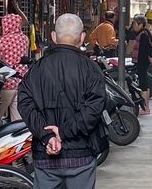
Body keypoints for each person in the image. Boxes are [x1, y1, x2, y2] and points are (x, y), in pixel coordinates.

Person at [18, 14, 108, 189]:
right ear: (82, 38)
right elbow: (94, 108)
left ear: (53, 36)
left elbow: (25, 103)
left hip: (46, 155)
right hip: (81, 154)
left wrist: (48, 136)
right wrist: (64, 132)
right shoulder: (91, 69)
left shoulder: (37, 69)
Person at [0, 2, 30, 122]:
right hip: (22, 82)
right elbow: (25, 21)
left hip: (7, 83)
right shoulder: (25, 39)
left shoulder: (3, 41)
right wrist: (18, 8)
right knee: (18, 120)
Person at [131, 14, 152, 115]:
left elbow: (149, 50)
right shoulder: (142, 33)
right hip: (142, 62)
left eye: (134, 24)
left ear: (140, 24)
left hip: (142, 62)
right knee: (144, 84)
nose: (133, 26)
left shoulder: (144, 35)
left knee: (143, 85)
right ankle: (146, 107)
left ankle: (146, 108)